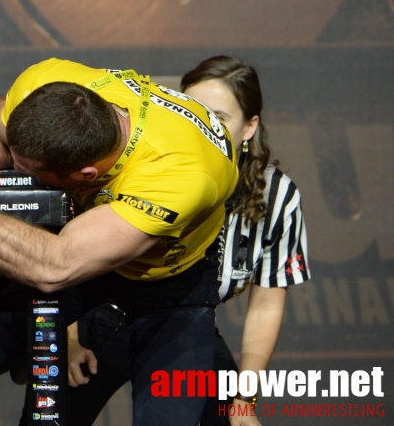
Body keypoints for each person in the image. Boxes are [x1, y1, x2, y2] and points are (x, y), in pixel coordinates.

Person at [0, 58, 239, 426]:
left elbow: (55, 266)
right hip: (82, 250)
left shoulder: (181, 174)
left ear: (86, 175)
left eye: (29, 172)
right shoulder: (48, 83)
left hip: (168, 285)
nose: (14, 169)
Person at [65, 56, 311, 426]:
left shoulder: (277, 197)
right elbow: (66, 252)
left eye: (220, 117)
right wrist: (66, 341)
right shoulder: (134, 165)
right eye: (191, 111)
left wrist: (245, 397)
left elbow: (266, 305)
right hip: (98, 322)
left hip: (179, 322)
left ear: (250, 127)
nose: (205, 127)